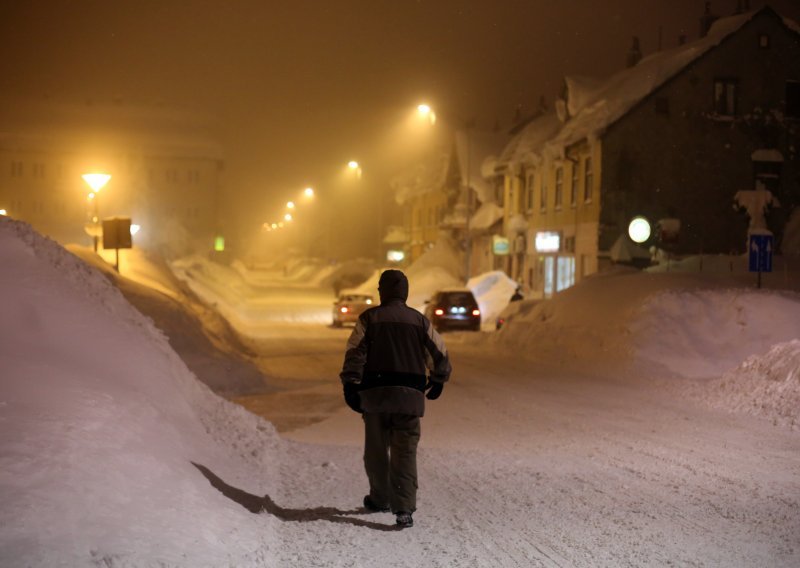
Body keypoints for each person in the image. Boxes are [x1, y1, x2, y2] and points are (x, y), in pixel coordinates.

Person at [339, 269, 451, 528]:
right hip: (409, 399)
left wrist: (351, 384)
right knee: (405, 452)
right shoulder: (419, 321)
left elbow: (355, 353)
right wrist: (437, 379)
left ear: (382, 291)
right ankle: (404, 509)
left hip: (375, 397)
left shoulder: (369, 319)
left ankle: (380, 498)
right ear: (405, 292)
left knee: (376, 452)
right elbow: (439, 355)